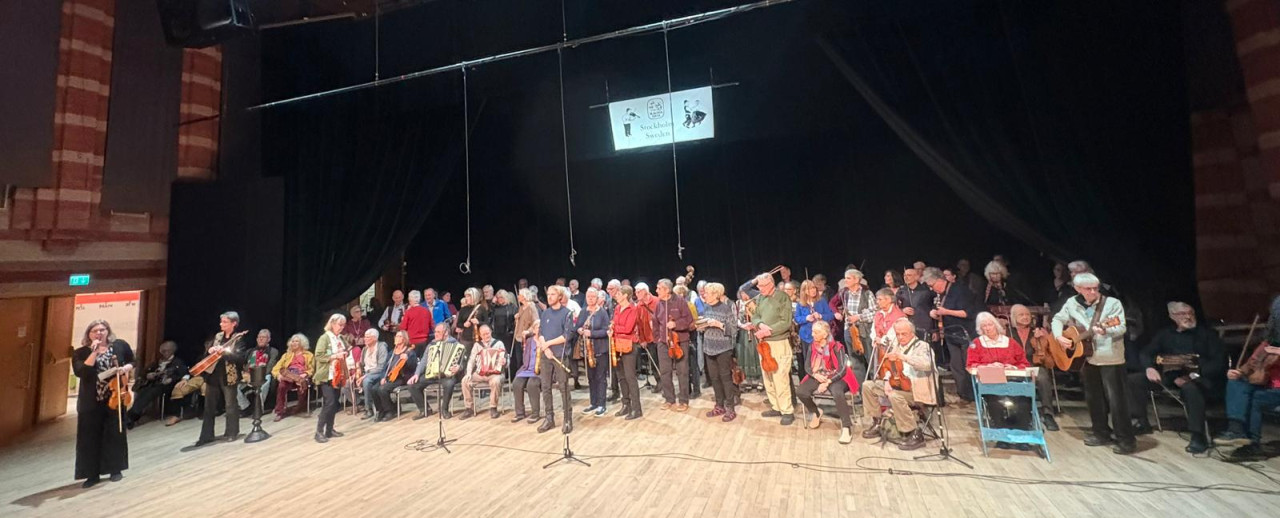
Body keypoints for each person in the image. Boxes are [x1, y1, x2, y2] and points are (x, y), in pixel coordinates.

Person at [1126, 302, 1226, 453]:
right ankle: (1141, 422)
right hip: (1170, 376)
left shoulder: (1207, 334)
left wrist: (1193, 375)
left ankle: (1198, 436)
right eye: (1182, 314)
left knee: (1191, 389)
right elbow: (1146, 353)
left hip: (1198, 377)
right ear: (1172, 316)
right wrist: (1149, 368)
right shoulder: (1165, 334)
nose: (1188, 317)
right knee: (1134, 380)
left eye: (1190, 313)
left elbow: (1218, 362)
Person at [1052, 273, 1134, 454]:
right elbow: (1058, 319)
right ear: (1077, 289)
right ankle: (1101, 433)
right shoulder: (1072, 303)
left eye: (1095, 288)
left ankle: (1126, 439)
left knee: (1117, 400)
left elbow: (1121, 327)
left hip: (1110, 357)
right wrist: (1058, 336)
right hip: (1087, 357)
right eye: (1088, 289)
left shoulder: (1112, 303)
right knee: (1094, 398)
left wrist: (1106, 331)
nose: (1093, 292)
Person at [966, 312, 1051, 435]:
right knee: (994, 401)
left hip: (1013, 379)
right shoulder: (976, 344)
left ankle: (1022, 433)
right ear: (980, 328)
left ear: (996, 325)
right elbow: (971, 365)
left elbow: (1024, 363)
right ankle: (1002, 434)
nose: (988, 328)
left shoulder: (1010, 342)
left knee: (1024, 400)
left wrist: (1012, 367)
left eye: (990, 324)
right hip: (991, 382)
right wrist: (988, 366)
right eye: (984, 326)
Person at [73, 320, 134, 487]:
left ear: (108, 331)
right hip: (91, 400)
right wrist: (94, 352)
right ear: (89, 334)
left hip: (115, 396)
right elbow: (82, 372)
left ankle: (115, 469)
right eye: (95, 331)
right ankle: (92, 475)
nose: (99, 333)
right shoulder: (80, 352)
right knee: (90, 437)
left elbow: (132, 360)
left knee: (115, 434)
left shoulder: (119, 346)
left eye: (102, 330)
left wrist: (126, 368)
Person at [861, 319, 936, 450]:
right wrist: (886, 381)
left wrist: (903, 357)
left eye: (904, 334)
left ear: (912, 333)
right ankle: (877, 422)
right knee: (868, 386)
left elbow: (926, 364)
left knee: (895, 396)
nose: (900, 337)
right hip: (898, 384)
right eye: (898, 334)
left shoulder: (922, 346)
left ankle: (914, 432)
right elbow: (888, 367)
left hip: (917, 391)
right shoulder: (896, 345)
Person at [1218, 297, 1280, 453]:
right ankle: (1236, 429)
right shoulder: (1270, 341)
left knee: (1257, 397)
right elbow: (1251, 363)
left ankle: (1253, 443)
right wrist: (1239, 372)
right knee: (1236, 383)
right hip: (1266, 384)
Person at [740, 270, 797, 426]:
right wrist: (759, 324)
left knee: (780, 377)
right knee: (768, 376)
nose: (760, 289)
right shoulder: (761, 298)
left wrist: (769, 330)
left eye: (763, 286)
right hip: (764, 343)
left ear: (771, 284)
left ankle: (787, 411)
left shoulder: (783, 297)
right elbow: (756, 315)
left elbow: (785, 322)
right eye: (759, 286)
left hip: (778, 342)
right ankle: (776, 406)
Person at [190, 311, 249, 449]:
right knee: (209, 406)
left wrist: (224, 353)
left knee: (230, 405)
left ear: (234, 323)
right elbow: (208, 354)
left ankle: (232, 432)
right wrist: (210, 350)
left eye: (225, 322)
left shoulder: (238, 339)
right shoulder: (218, 336)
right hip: (213, 374)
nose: (221, 324)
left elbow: (239, 358)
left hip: (229, 375)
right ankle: (206, 436)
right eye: (221, 321)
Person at [923, 266, 980, 403]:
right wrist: (934, 313)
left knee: (968, 365)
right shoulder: (941, 294)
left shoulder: (960, 290)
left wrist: (946, 312)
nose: (931, 289)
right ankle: (963, 395)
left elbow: (967, 313)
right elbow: (940, 310)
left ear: (939, 280)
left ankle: (974, 395)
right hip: (951, 334)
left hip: (965, 333)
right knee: (956, 366)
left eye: (932, 285)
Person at [797, 321, 858, 444]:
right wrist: (815, 375)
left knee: (837, 392)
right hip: (819, 374)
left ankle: (846, 427)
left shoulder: (837, 346)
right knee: (801, 391)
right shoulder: (812, 346)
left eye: (816, 332)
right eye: (813, 331)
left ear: (825, 334)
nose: (812, 334)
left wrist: (828, 381)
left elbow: (842, 369)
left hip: (836, 376)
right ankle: (816, 412)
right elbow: (807, 366)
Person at [1007, 304, 1059, 431]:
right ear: (1013, 317)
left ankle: (1047, 414)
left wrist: (1045, 338)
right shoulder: (1007, 332)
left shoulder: (1037, 331)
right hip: (1014, 366)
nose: (1025, 317)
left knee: (1043, 377)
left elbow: (1052, 348)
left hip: (1033, 365)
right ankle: (1014, 413)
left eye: (1027, 315)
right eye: (1021, 315)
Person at [535, 285, 577, 433]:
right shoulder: (545, 313)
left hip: (560, 354)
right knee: (546, 387)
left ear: (560, 296)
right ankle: (549, 418)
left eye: (553, 294)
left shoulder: (567, 313)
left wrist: (548, 344)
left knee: (563, 387)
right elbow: (540, 332)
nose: (549, 297)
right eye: (548, 294)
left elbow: (567, 336)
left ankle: (567, 419)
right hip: (546, 354)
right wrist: (544, 347)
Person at [697, 282, 739, 421]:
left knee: (725, 378)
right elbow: (705, 325)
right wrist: (702, 325)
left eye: (707, 293)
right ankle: (719, 405)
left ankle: (730, 408)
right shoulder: (706, 307)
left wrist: (719, 324)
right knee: (714, 378)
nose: (704, 295)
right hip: (709, 347)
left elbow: (733, 329)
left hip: (723, 348)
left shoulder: (726, 308)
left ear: (715, 294)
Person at [652, 279, 695, 412]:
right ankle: (669, 399)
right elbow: (655, 322)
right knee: (665, 372)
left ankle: (683, 400)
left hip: (679, 342)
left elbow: (689, 320)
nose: (656, 291)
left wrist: (676, 324)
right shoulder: (658, 304)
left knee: (682, 372)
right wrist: (658, 339)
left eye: (659, 288)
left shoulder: (680, 301)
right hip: (663, 343)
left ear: (667, 290)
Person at [407, 323, 466, 419]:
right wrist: (416, 374)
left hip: (447, 375)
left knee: (449, 384)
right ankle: (424, 409)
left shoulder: (456, 344)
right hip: (431, 374)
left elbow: (463, 362)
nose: (436, 334)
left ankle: (444, 410)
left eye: (438, 332)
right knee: (412, 385)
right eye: (435, 332)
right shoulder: (431, 344)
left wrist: (458, 367)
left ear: (446, 333)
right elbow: (424, 361)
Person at [126, 340, 185, 428]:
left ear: (172, 350)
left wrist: (172, 379)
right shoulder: (157, 362)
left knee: (151, 392)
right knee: (142, 391)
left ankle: (131, 416)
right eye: (163, 351)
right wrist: (148, 375)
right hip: (153, 383)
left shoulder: (178, 362)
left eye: (167, 351)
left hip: (168, 385)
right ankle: (133, 416)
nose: (164, 353)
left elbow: (183, 374)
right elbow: (144, 372)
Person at [312, 313, 351, 443]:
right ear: (332, 324)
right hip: (327, 375)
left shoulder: (340, 338)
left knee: (335, 403)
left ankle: (329, 429)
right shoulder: (324, 338)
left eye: (343, 325)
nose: (342, 327)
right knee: (329, 403)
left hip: (338, 374)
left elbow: (346, 349)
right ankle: (319, 431)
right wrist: (334, 356)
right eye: (340, 325)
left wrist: (345, 352)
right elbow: (318, 356)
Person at [830, 269, 874, 381]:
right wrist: (837, 313)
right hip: (849, 331)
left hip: (864, 331)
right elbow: (832, 303)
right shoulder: (844, 293)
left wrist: (859, 317)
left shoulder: (867, 294)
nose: (845, 280)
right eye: (845, 278)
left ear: (856, 280)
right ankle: (860, 388)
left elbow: (875, 313)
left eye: (848, 278)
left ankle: (874, 387)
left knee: (871, 361)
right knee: (855, 363)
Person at [609, 286, 644, 420]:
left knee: (630, 377)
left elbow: (628, 328)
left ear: (625, 295)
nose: (616, 295)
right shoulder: (617, 308)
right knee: (621, 377)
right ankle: (626, 404)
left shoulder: (633, 309)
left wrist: (615, 328)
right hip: (617, 345)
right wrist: (612, 328)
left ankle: (636, 408)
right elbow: (615, 324)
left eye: (618, 293)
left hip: (629, 345)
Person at [575, 288, 611, 417]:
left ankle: (602, 405)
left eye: (593, 296)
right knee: (591, 377)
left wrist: (592, 333)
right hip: (587, 350)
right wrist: (579, 330)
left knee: (600, 377)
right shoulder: (583, 311)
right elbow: (578, 326)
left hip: (600, 349)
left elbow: (606, 331)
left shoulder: (602, 312)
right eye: (588, 296)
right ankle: (593, 403)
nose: (590, 299)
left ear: (597, 298)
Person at [460, 325, 506, 420]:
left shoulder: (499, 344)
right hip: (480, 374)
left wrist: (505, 362)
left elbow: (506, 360)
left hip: (495, 374)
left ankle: (493, 407)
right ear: (480, 335)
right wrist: (468, 373)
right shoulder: (477, 345)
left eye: (487, 333)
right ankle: (469, 408)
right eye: (483, 334)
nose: (486, 336)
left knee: (496, 381)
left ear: (491, 332)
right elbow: (471, 360)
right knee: (465, 380)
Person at [372, 330, 419, 421]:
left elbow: (413, 367)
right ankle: (380, 410)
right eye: (396, 336)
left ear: (404, 339)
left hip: (402, 377)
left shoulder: (409, 352)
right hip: (390, 376)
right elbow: (385, 367)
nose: (396, 338)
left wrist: (407, 359)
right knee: (374, 389)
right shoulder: (392, 352)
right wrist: (383, 377)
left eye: (399, 336)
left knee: (382, 389)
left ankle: (390, 411)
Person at [270, 334, 314, 421]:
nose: (294, 343)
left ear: (302, 343)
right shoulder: (286, 355)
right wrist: (278, 375)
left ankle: (301, 405)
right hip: (289, 376)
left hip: (301, 376)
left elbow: (311, 369)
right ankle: (279, 412)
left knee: (302, 383)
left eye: (296, 341)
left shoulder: (309, 355)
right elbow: (275, 368)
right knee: (281, 386)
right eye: (292, 341)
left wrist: (305, 374)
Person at [794, 280, 834, 369]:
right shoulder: (800, 304)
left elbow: (831, 315)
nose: (813, 290)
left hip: (822, 337)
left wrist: (820, 316)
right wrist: (806, 318)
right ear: (804, 291)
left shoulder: (821, 301)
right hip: (806, 337)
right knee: (809, 361)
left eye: (814, 288)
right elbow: (797, 318)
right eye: (810, 289)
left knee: (824, 360)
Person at [511, 319, 545, 423]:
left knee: (532, 384)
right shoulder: (529, 341)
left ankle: (535, 413)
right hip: (527, 369)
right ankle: (520, 413)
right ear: (533, 330)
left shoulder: (546, 341)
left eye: (541, 327)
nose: (539, 329)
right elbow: (525, 356)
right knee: (516, 383)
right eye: (537, 328)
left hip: (541, 371)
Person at [239, 329, 279, 413]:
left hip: (263, 374)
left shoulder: (273, 351)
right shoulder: (250, 351)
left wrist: (258, 375)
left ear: (268, 339)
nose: (260, 339)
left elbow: (270, 366)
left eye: (263, 337)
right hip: (249, 375)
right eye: (259, 337)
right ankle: (245, 407)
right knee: (233, 385)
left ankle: (259, 407)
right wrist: (245, 373)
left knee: (267, 379)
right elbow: (247, 364)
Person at [356, 328, 390, 419]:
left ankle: (369, 409)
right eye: (365, 337)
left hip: (378, 373)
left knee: (367, 381)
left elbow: (381, 367)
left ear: (375, 338)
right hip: (367, 373)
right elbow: (361, 364)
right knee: (349, 382)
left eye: (368, 337)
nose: (365, 339)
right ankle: (358, 404)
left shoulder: (381, 347)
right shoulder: (365, 349)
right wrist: (358, 369)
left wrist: (365, 376)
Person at [896, 268, 934, 341]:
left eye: (909, 275)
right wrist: (902, 310)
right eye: (904, 275)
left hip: (925, 326)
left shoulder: (926, 290)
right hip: (908, 326)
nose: (906, 277)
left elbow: (933, 307)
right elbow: (896, 307)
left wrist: (934, 330)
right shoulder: (901, 291)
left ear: (917, 277)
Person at [512, 288, 540, 378]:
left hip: (527, 338)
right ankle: (520, 377)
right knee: (519, 359)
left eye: (519, 295)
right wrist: (516, 318)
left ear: (524, 296)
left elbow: (536, 322)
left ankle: (527, 377)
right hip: (518, 336)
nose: (518, 297)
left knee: (526, 359)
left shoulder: (531, 307)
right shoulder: (521, 308)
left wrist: (528, 331)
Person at [402, 290, 434, 358]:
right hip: (424, 342)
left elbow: (403, 328)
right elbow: (432, 326)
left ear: (410, 300)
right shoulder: (426, 311)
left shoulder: (408, 312)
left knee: (412, 361)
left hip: (412, 342)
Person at [490, 290, 517, 365]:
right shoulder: (495, 308)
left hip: (508, 334)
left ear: (506, 297)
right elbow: (489, 316)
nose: (500, 299)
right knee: (497, 354)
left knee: (507, 354)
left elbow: (515, 320)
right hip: (496, 334)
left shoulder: (512, 307)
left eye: (501, 297)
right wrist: (493, 303)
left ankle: (510, 370)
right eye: (498, 298)